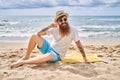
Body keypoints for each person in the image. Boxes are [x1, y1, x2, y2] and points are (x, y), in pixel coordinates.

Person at [10, 10, 89, 68]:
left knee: (50, 55)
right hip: (49, 48)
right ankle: (26, 56)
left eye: (65, 19)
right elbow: (39, 34)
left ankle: (24, 62)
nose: (63, 21)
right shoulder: (54, 28)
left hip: (57, 55)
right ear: (57, 22)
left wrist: (84, 58)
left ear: (67, 19)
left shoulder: (73, 30)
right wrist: (49, 26)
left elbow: (79, 45)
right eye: (60, 20)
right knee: (34, 36)